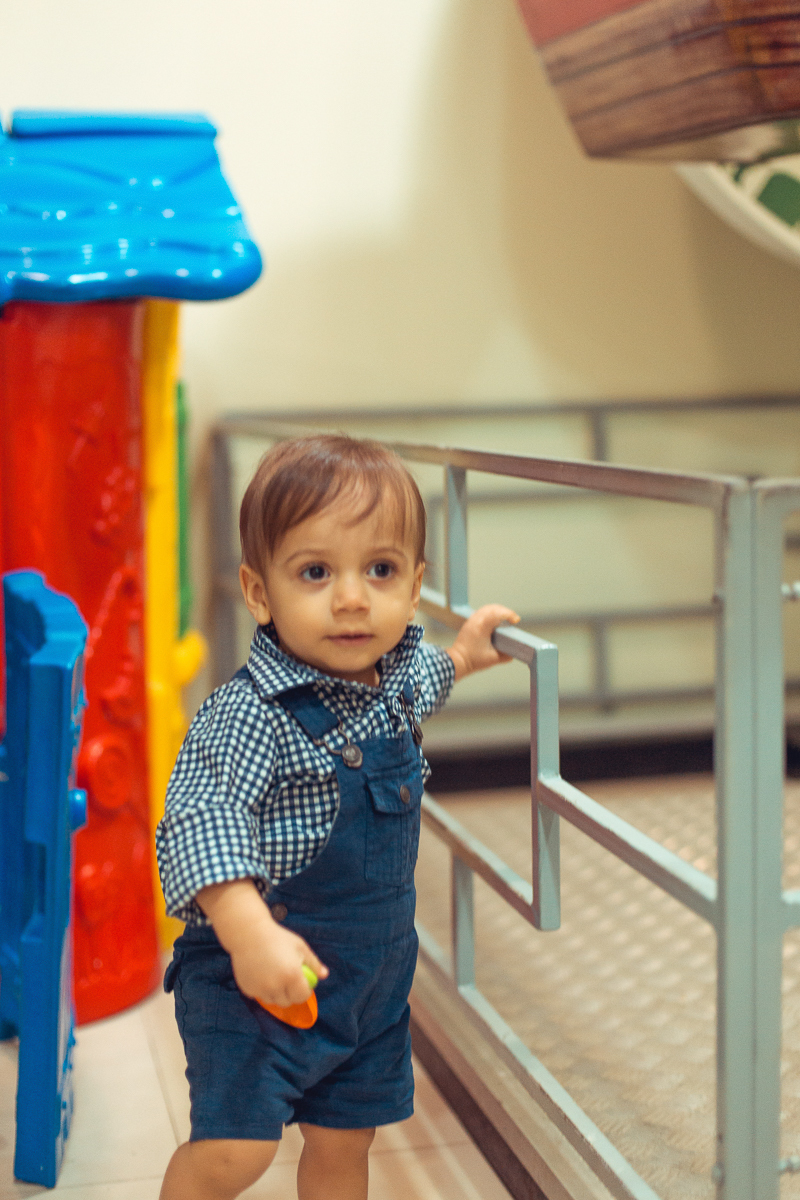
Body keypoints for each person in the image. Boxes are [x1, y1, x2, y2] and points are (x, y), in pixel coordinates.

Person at [156, 433, 519, 1200]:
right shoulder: (249, 715)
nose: (353, 599)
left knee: (344, 1144)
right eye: (316, 572)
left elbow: (425, 678)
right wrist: (248, 931)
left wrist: (462, 655)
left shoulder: (391, 683)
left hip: (369, 985)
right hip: (249, 979)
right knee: (235, 1153)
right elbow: (199, 816)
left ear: (414, 585)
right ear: (260, 592)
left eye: (380, 571)